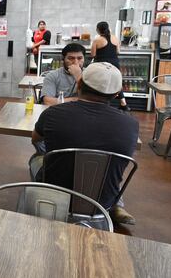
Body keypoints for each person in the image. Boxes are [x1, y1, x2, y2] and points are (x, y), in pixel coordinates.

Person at [30, 62, 138, 225]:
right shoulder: (131, 124)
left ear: (79, 83)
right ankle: (116, 206)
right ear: (116, 94)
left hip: (56, 200)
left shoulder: (53, 113)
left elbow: (35, 139)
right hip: (101, 205)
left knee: (36, 158)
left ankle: (39, 201)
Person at [91, 21, 129, 111]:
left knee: (102, 83)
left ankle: (103, 104)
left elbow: (93, 54)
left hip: (102, 65)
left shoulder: (97, 40)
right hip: (115, 63)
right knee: (116, 82)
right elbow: (118, 52)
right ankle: (123, 102)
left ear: (98, 30)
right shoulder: (115, 38)